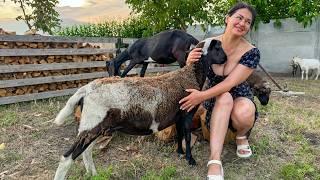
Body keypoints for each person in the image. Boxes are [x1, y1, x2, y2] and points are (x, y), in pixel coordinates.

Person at [179, 2, 260, 180]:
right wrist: (189, 61)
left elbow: (231, 82)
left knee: (245, 111)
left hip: (239, 94)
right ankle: (215, 160)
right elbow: (191, 73)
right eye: (239, 17)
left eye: (248, 22)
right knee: (223, 98)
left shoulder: (252, 52)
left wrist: (200, 96)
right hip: (213, 97)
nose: (242, 23)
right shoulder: (206, 44)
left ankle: (241, 136)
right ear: (227, 18)